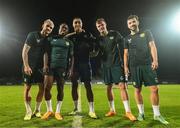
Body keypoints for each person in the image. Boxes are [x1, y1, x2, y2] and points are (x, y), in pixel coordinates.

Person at [124, 15, 169, 124]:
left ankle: (157, 115)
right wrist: (125, 67)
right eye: (129, 23)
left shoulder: (147, 32)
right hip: (134, 67)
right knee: (137, 90)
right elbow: (125, 53)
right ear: (127, 25)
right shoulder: (126, 39)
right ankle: (141, 113)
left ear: (137, 22)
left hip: (148, 64)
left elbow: (152, 46)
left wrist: (155, 60)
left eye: (133, 22)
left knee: (154, 88)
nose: (132, 24)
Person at [95, 18, 136, 121]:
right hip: (106, 66)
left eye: (102, 25)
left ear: (105, 25)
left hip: (117, 65)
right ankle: (112, 110)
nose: (101, 27)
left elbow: (124, 46)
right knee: (108, 88)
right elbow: (96, 52)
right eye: (98, 26)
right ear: (97, 28)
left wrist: (126, 63)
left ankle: (128, 112)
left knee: (122, 86)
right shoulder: (98, 39)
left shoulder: (115, 34)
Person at [22, 19, 54, 120]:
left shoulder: (47, 40)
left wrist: (45, 65)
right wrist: (26, 65)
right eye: (47, 26)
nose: (48, 28)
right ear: (43, 25)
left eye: (51, 28)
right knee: (27, 88)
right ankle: (28, 111)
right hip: (29, 66)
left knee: (41, 89)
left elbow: (45, 53)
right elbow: (24, 51)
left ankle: (37, 110)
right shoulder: (32, 35)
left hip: (40, 68)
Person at [41, 23, 74, 120]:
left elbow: (72, 57)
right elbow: (46, 53)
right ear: (59, 29)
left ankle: (57, 112)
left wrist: (70, 69)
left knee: (60, 89)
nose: (63, 29)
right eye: (62, 27)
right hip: (50, 67)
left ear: (67, 31)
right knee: (47, 88)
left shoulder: (69, 43)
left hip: (62, 68)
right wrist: (45, 64)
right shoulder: (52, 39)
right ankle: (49, 110)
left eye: (66, 28)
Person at [65, 17, 97, 119]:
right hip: (74, 65)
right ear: (73, 25)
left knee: (88, 85)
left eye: (79, 22)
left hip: (85, 64)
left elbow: (95, 44)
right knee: (74, 86)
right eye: (75, 23)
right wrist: (74, 33)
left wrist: (94, 52)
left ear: (82, 24)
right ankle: (75, 109)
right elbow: (64, 37)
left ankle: (91, 110)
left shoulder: (87, 35)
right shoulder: (71, 37)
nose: (77, 24)